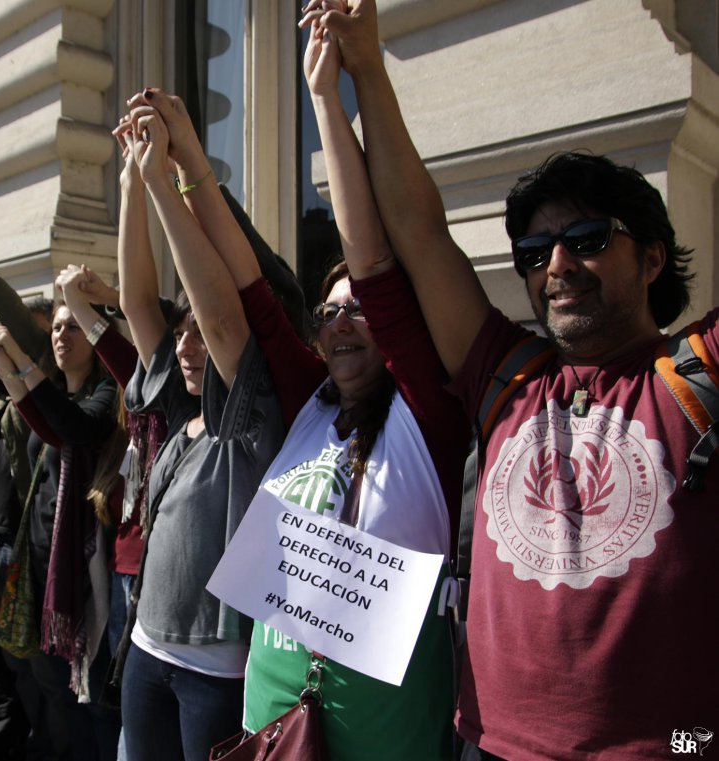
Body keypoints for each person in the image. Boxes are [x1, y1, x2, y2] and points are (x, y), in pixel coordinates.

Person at [305, 1, 719, 758]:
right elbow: (419, 232)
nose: (556, 266)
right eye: (535, 252)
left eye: (587, 240)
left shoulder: (697, 371)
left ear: (653, 258)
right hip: (489, 746)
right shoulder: (507, 374)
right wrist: (365, 66)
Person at [111, 97, 285, 761]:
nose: (186, 345)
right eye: (176, 333)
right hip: (145, 648)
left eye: (194, 334)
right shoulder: (182, 420)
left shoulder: (249, 424)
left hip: (217, 669)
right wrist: (131, 179)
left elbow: (221, 323)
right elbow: (134, 301)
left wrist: (165, 181)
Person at [0, 295, 124, 761]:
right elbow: (40, 416)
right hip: (42, 570)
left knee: (95, 702)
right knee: (56, 693)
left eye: (74, 327)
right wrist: (5, 367)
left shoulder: (107, 397)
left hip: (87, 578)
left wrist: (19, 360)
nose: (62, 335)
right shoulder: (51, 396)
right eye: (57, 328)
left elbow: (72, 427)